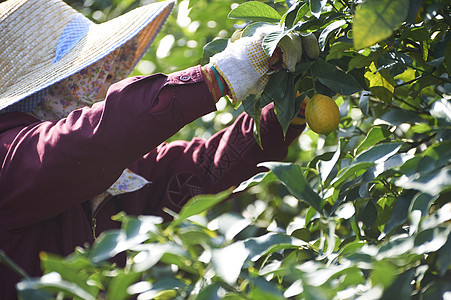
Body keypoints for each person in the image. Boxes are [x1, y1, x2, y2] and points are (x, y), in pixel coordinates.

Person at [0, 0, 310, 298]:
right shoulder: (11, 156)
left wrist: (288, 112)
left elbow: (205, 169)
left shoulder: (120, 178)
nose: (108, 78)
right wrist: (216, 77)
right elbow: (91, 139)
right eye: (89, 71)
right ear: (46, 89)